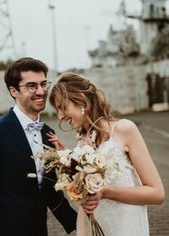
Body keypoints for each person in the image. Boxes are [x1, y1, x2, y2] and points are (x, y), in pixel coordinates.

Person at [48, 72, 165, 236]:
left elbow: (157, 194)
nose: (60, 116)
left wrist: (105, 192)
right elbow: (86, 196)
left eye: (62, 107)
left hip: (126, 226)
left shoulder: (124, 129)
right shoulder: (82, 143)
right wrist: (66, 164)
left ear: (81, 100)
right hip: (96, 227)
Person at [0, 57, 77, 236]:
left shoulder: (47, 133)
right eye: (32, 86)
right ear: (14, 91)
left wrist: (79, 223)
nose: (41, 91)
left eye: (43, 84)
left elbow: (49, 190)